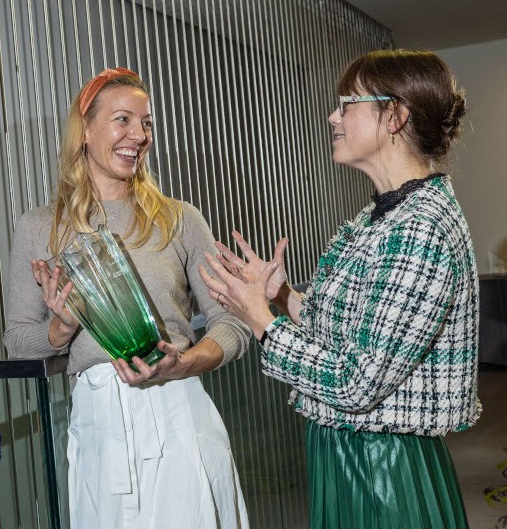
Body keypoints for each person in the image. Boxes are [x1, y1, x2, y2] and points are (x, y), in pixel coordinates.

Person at [200, 49, 480, 528]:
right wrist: (281, 295)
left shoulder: (419, 229)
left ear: (394, 116)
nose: (334, 116)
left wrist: (263, 323)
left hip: (383, 465)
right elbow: (360, 331)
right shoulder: (388, 213)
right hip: (355, 452)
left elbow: (358, 381)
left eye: (348, 103)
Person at [4, 67, 250, 528]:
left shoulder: (180, 219)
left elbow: (232, 323)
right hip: (99, 424)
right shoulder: (39, 227)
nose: (139, 135)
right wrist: (63, 326)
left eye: (147, 123)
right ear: (86, 130)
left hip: (179, 408)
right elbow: (18, 344)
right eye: (123, 120)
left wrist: (186, 362)